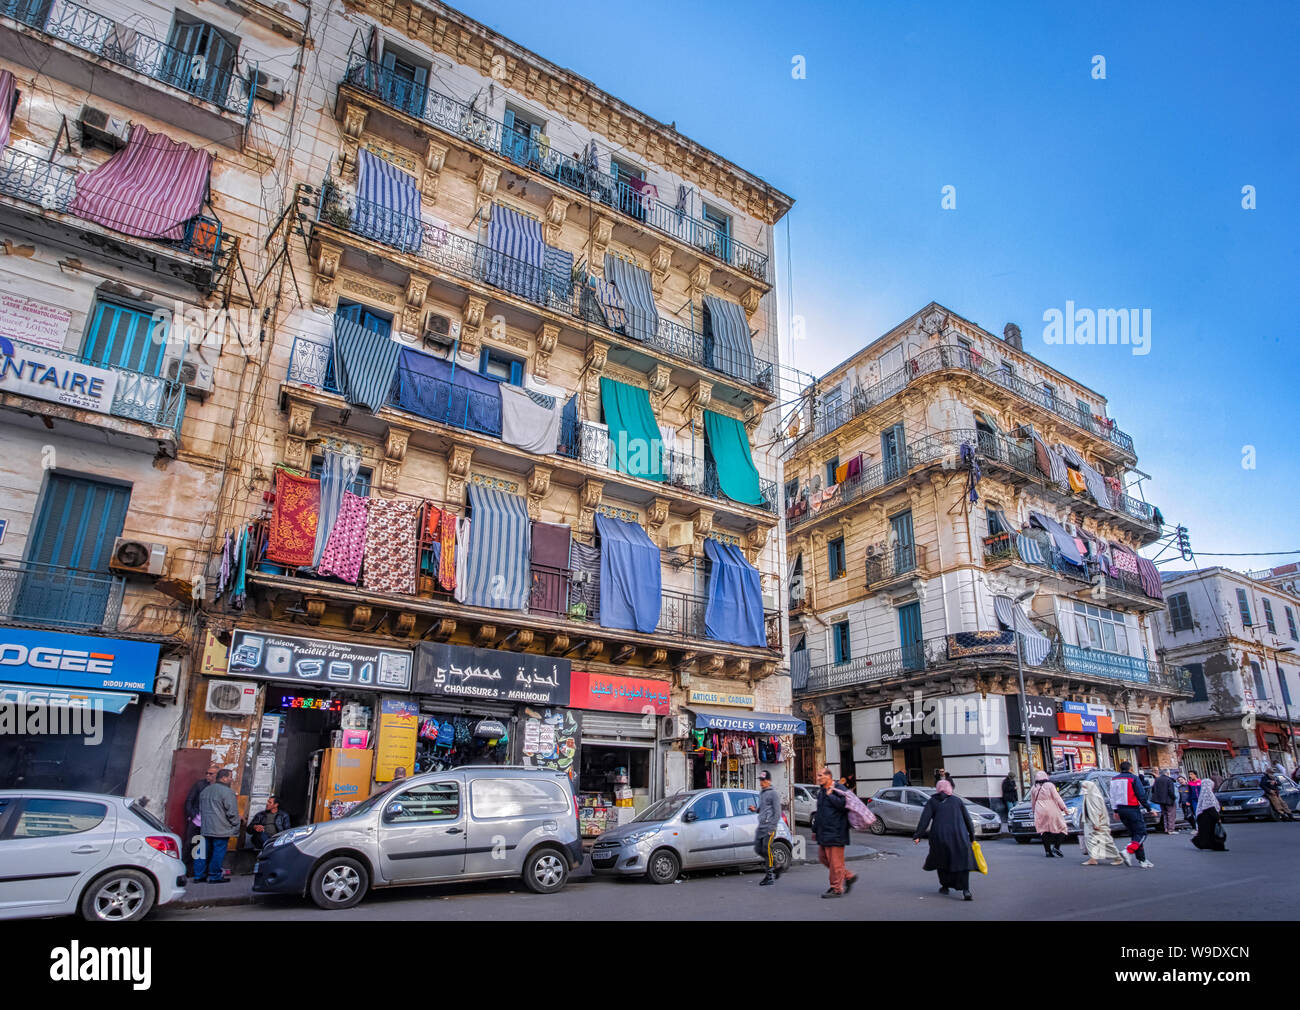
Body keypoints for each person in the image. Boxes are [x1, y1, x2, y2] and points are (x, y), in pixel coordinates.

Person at [912, 779, 976, 900]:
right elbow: (968, 819)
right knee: (962, 863)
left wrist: (918, 836)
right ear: (950, 788)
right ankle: (966, 890)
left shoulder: (932, 801)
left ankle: (945, 886)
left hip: (939, 837)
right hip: (959, 836)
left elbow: (924, 820)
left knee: (942, 862)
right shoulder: (957, 801)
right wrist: (972, 836)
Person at [814, 766, 858, 898]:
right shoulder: (822, 791)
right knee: (823, 858)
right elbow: (819, 812)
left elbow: (845, 805)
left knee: (835, 862)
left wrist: (831, 796)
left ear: (829, 776)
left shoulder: (839, 788)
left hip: (836, 831)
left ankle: (836, 889)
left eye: (820, 775)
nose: (818, 778)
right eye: (818, 775)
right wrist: (815, 829)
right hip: (824, 831)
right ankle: (848, 876)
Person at [194, 769, 240, 883]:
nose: (231, 779)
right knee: (218, 853)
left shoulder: (206, 790)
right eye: (230, 777)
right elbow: (232, 812)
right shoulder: (227, 792)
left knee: (202, 853)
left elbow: (201, 809)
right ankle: (215, 876)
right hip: (221, 829)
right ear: (224, 778)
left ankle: (199, 876)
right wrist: (235, 824)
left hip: (205, 827)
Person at [1111, 761, 1153, 868]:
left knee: (1135, 835)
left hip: (1121, 809)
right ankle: (1128, 851)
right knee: (1142, 833)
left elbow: (1112, 796)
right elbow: (1141, 795)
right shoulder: (1133, 778)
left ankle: (1142, 860)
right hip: (1132, 808)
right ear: (1130, 768)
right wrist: (1149, 808)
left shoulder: (1114, 779)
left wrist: (1115, 811)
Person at [747, 771, 783, 885]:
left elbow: (777, 813)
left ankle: (769, 876)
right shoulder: (762, 793)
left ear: (769, 781)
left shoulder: (774, 794)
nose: (761, 783)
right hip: (761, 826)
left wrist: (772, 828)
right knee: (758, 849)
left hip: (769, 827)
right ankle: (776, 865)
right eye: (760, 780)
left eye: (763, 780)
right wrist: (755, 810)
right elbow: (763, 808)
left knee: (767, 850)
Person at [1079, 778, 1125, 865]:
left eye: (1085, 787)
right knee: (1090, 840)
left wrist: (1096, 823)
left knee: (1105, 841)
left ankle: (1118, 857)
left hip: (1098, 822)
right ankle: (1093, 858)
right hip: (1090, 822)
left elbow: (1097, 811)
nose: (1083, 789)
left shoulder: (1094, 797)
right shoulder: (1088, 796)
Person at [183, 764, 217, 875]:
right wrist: (192, 815)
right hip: (196, 819)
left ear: (217, 775)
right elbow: (189, 800)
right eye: (206, 773)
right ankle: (184, 869)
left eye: (211, 774)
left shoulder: (220, 787)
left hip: (210, 822)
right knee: (190, 844)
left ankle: (201, 871)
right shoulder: (200, 784)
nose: (208, 775)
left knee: (205, 846)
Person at [1030, 771, 1069, 858]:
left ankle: (1048, 851)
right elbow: (1057, 797)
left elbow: (1033, 802)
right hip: (1051, 809)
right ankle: (1056, 847)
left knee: (1044, 830)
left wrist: (1034, 811)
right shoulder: (1050, 785)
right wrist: (1064, 808)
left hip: (1039, 810)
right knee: (1062, 827)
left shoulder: (1034, 788)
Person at [1191, 777, 1227, 851]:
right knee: (1214, 832)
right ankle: (1217, 846)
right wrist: (1218, 818)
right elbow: (1211, 807)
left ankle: (1202, 843)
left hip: (1202, 817)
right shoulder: (1209, 794)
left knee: (1205, 833)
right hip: (1210, 817)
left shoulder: (1202, 794)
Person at [1152, 768, 1179, 833]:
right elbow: (1171, 791)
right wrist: (1174, 798)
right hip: (1169, 800)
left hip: (1160, 800)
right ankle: (1171, 829)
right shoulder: (1169, 780)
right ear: (1167, 773)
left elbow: (1153, 789)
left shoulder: (1157, 779)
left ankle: (1166, 828)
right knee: (1171, 814)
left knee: (1164, 814)